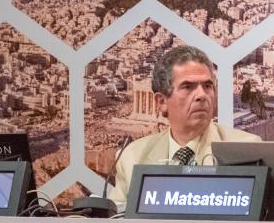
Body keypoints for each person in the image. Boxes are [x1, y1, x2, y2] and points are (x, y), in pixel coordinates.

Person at [108, 45, 260, 206]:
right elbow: (116, 216)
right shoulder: (133, 157)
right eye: (188, 87)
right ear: (162, 102)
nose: (201, 95)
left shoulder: (246, 150)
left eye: (207, 86)